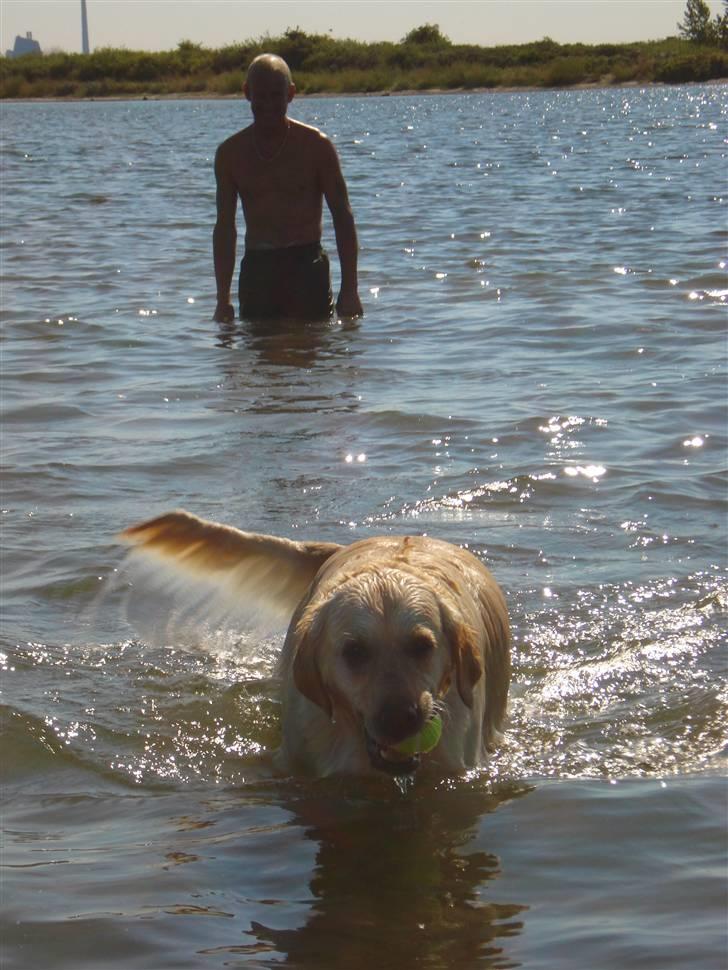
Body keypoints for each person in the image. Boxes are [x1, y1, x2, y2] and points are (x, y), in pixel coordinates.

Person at [213, 53, 363, 323]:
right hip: (258, 269)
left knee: (313, 354)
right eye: (260, 96)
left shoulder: (317, 146)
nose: (268, 104)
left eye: (276, 96)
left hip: (307, 266)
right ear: (247, 93)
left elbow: (342, 215)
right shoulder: (230, 154)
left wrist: (350, 290)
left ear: (291, 94)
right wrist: (222, 300)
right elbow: (225, 227)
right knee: (259, 356)